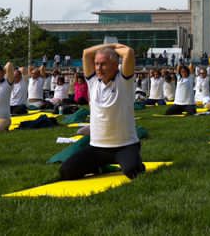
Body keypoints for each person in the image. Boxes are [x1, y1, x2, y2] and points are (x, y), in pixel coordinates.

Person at [59, 43, 145, 181]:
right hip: (98, 147)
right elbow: (86, 53)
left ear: (115, 65)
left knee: (132, 172)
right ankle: (100, 167)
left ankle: (135, 162)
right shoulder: (93, 82)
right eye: (97, 64)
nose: (98, 68)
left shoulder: (124, 81)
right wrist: (108, 45)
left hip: (124, 145)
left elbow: (128, 52)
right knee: (67, 171)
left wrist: (113, 47)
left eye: (103, 64)